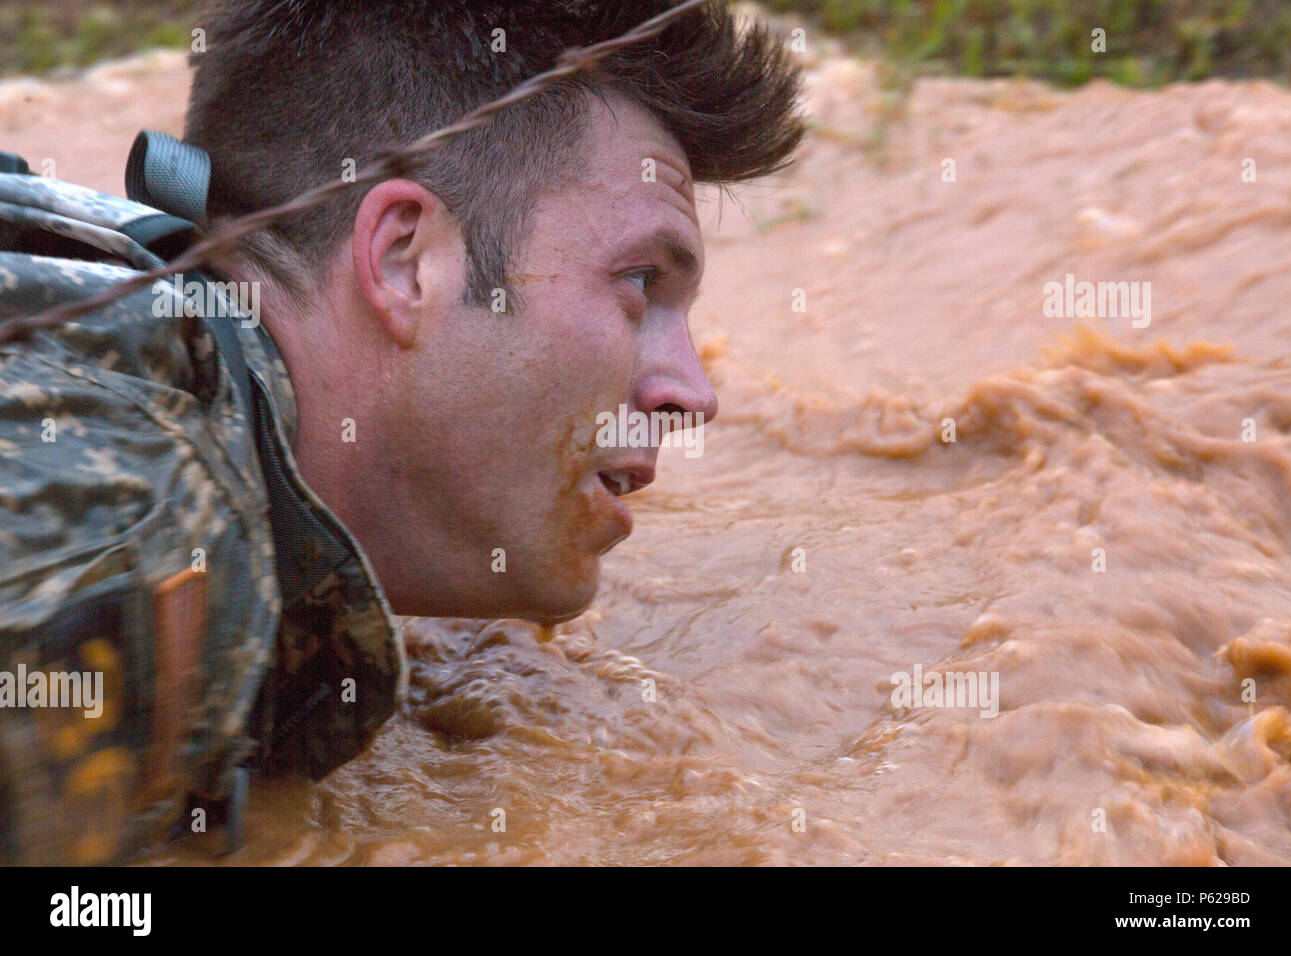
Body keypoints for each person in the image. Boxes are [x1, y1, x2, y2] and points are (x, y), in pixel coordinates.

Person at [0, 0, 804, 863]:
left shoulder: (115, 296)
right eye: (641, 281)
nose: (695, 392)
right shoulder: (124, 528)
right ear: (404, 260)